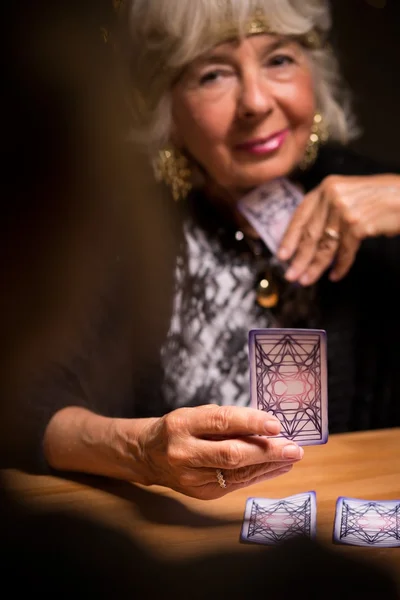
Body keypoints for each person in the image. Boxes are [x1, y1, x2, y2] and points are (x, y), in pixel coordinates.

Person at [7, 0, 400, 501]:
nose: (255, 102)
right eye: (213, 74)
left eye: (279, 59)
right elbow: (23, 405)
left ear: (314, 76)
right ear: (165, 107)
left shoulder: (380, 199)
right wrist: (141, 450)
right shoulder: (117, 225)